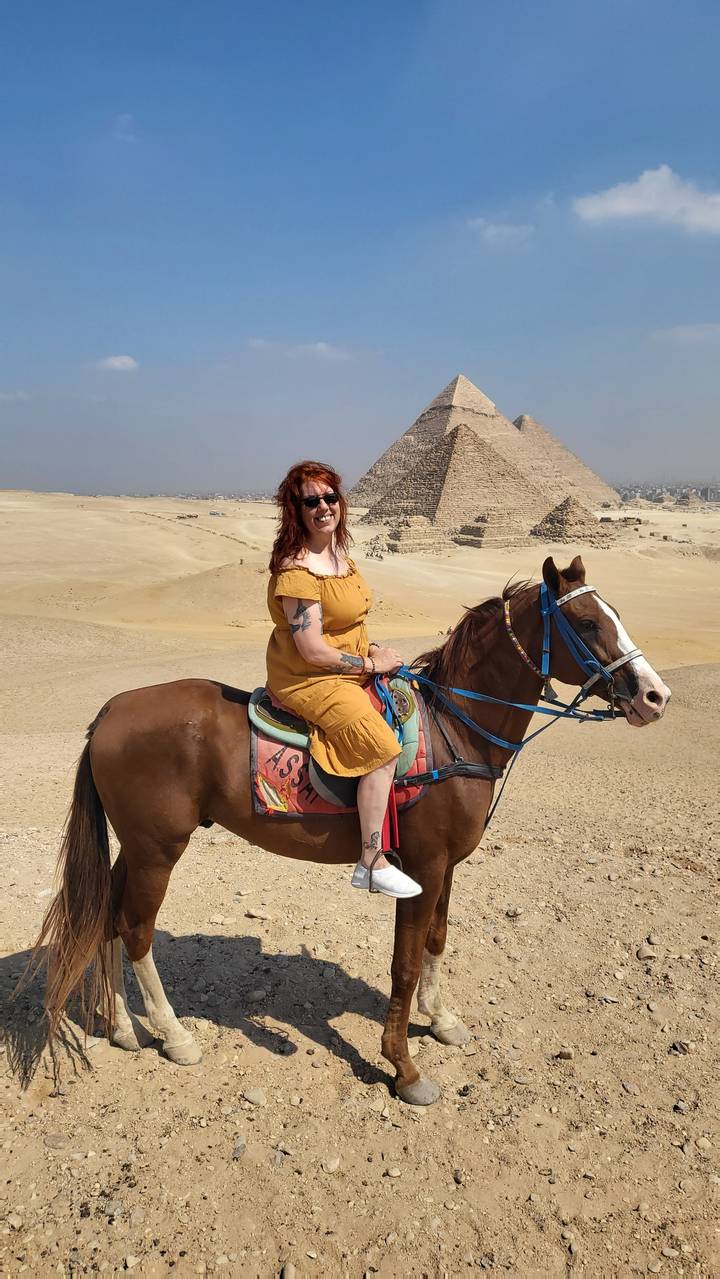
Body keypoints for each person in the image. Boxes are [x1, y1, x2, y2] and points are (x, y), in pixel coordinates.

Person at [265, 460, 422, 899]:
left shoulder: (339, 558)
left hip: (348, 664)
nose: (323, 507)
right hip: (308, 678)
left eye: (329, 497)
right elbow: (313, 649)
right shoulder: (298, 570)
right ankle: (371, 860)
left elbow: (347, 623)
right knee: (382, 748)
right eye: (310, 501)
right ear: (293, 510)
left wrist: (372, 650)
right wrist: (371, 667)